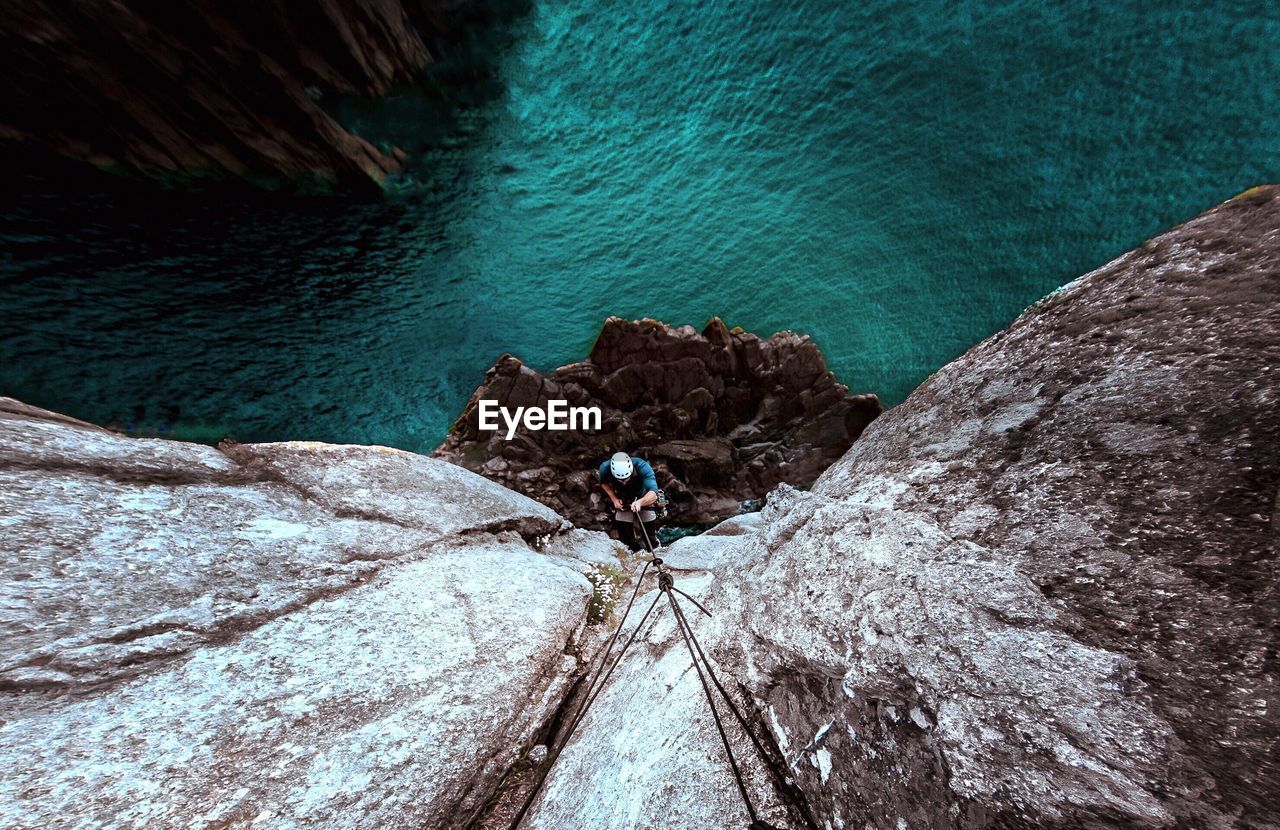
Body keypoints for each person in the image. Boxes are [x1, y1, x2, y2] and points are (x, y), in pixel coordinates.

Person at [598, 451, 659, 551]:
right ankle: (634, 554)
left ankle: (655, 549)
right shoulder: (604, 468)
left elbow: (653, 493)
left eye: (626, 479)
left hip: (644, 497)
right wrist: (614, 499)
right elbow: (603, 483)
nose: (624, 482)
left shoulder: (642, 466)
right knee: (625, 535)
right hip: (624, 499)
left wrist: (640, 502)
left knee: (649, 535)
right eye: (620, 480)